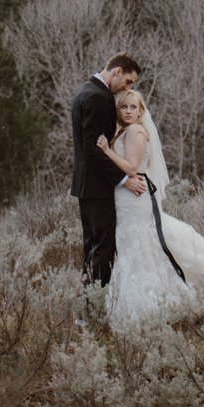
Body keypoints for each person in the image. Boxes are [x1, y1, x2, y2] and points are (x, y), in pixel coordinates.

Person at [95, 88, 204, 323]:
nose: (129, 111)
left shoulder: (135, 131)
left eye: (134, 107)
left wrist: (105, 151)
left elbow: (132, 167)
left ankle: (151, 304)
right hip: (126, 198)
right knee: (134, 244)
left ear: (141, 110)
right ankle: (143, 301)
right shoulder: (123, 132)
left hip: (136, 197)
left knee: (141, 243)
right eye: (124, 107)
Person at [70, 51, 145, 286]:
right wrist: (124, 180)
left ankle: (86, 308)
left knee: (92, 245)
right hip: (97, 186)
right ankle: (94, 305)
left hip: (86, 185)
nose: (126, 88)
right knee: (103, 247)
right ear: (117, 71)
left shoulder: (84, 90)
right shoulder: (98, 97)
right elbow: (92, 150)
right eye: (128, 81)